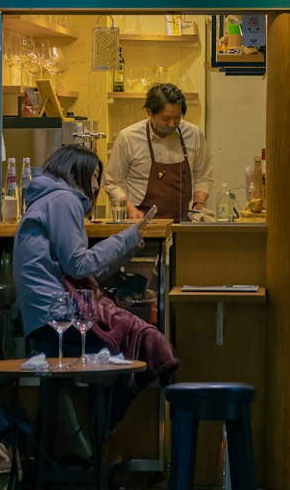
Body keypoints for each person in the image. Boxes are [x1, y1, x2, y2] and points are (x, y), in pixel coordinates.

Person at [13, 144, 178, 428]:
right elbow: (78, 264)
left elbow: (79, 271)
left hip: (43, 316)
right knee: (140, 343)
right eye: (95, 176)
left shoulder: (48, 198)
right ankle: (99, 432)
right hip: (56, 318)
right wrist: (125, 238)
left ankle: (94, 435)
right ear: (80, 171)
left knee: (133, 343)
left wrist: (127, 246)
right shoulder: (63, 200)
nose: (97, 184)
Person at [104, 82, 213, 221]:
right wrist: (130, 209)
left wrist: (199, 202)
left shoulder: (194, 134)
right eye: (166, 119)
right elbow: (112, 183)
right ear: (150, 112)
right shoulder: (128, 138)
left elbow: (204, 175)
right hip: (142, 223)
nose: (172, 124)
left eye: (177, 118)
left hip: (184, 222)